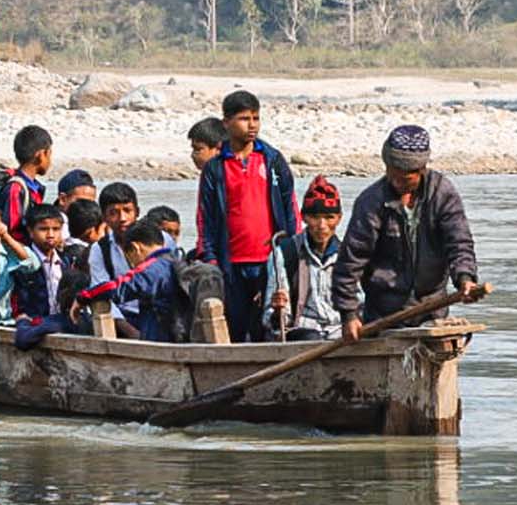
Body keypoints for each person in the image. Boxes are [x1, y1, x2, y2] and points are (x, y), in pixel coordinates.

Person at [334, 125, 482, 341]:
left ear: (421, 171)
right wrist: (348, 313)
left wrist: (465, 279)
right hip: (383, 313)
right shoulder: (371, 201)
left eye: (405, 179)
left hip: (432, 308)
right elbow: (351, 261)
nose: (397, 183)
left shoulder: (442, 194)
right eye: (392, 175)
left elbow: (459, 242)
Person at [194, 89, 299, 344]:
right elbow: (205, 217)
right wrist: (210, 257)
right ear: (226, 123)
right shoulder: (216, 168)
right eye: (244, 119)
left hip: (270, 260)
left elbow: (290, 206)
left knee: (272, 324)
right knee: (237, 325)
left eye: (255, 118)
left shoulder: (272, 160)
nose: (251, 125)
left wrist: (292, 250)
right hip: (232, 262)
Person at [75, 221, 184, 342]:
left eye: (130, 258)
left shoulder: (151, 269)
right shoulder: (175, 262)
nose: (132, 265)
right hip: (181, 333)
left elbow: (119, 288)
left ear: (135, 248)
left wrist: (84, 296)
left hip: (163, 340)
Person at [268, 175, 347, 341]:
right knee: (311, 338)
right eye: (315, 217)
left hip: (339, 332)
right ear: (304, 217)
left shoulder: (347, 255)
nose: (322, 225)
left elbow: (360, 302)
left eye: (329, 218)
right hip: (302, 332)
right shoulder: (285, 252)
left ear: (339, 218)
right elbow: (273, 320)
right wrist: (277, 311)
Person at [11, 204, 75, 322]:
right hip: (32, 323)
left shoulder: (66, 261)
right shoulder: (22, 263)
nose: (50, 235)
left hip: (60, 323)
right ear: (30, 231)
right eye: (43, 229)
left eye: (56, 229)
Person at [0, 125, 54, 233]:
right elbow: (11, 231)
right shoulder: (16, 189)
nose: (50, 160)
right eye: (49, 154)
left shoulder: (33, 187)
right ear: (41, 155)